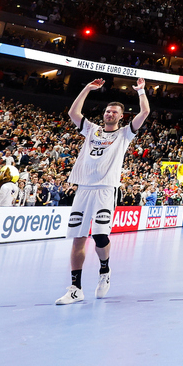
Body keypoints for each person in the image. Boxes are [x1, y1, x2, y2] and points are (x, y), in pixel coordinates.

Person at [55, 78, 150, 305]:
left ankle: (104, 271)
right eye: (107, 111)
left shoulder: (125, 134)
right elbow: (73, 112)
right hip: (84, 189)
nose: (109, 114)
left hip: (106, 190)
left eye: (114, 112)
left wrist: (141, 91)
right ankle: (75, 289)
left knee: (99, 236)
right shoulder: (91, 130)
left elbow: (145, 112)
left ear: (121, 116)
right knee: (78, 238)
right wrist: (87, 88)